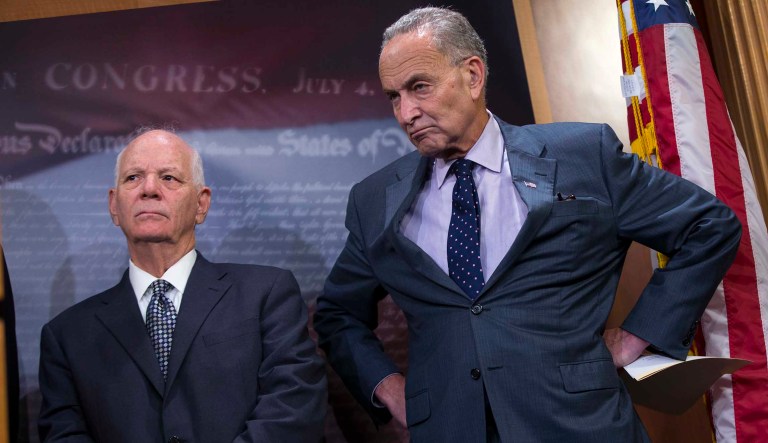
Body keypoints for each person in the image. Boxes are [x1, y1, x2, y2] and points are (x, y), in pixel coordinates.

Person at [314, 7, 741, 442]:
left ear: (473, 75)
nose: (406, 113)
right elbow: (337, 313)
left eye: (419, 87)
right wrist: (387, 387)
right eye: (394, 96)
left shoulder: (582, 155)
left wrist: (639, 335)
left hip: (580, 427)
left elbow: (709, 225)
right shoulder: (374, 200)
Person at [38, 129, 327, 442]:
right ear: (114, 206)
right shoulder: (67, 336)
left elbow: (294, 406)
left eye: (169, 178)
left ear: (201, 204)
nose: (149, 189)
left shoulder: (265, 295)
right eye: (133, 177)